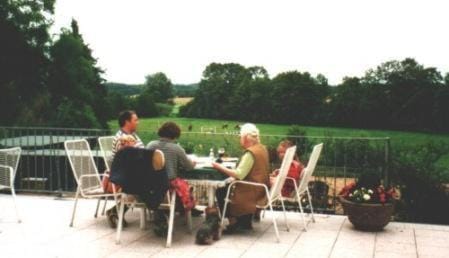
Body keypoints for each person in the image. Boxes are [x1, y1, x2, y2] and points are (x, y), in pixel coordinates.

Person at [213, 123, 270, 233]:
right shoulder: (261, 148)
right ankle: (244, 221)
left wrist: (219, 167)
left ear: (245, 138)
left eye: (240, 136)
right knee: (228, 185)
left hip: (251, 190)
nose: (240, 139)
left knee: (221, 189)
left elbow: (239, 174)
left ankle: (233, 222)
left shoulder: (250, 153)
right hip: (261, 188)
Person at [146, 121, 202, 216]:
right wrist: (193, 163)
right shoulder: (176, 148)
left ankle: (165, 213)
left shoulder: (150, 145)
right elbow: (189, 167)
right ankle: (186, 209)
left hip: (150, 185)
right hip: (168, 186)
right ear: (175, 135)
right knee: (183, 185)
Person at [106, 110, 144, 228]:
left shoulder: (132, 136)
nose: (138, 122)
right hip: (125, 175)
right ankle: (116, 210)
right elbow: (124, 161)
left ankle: (160, 214)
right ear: (127, 122)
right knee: (149, 184)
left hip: (133, 171)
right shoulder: (122, 139)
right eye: (135, 120)